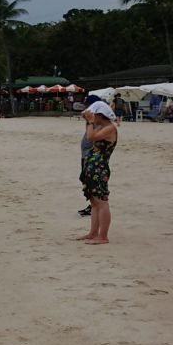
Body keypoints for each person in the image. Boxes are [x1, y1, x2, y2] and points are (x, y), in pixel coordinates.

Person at [76, 103, 118, 244]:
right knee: (94, 202)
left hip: (99, 167)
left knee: (101, 201)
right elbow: (89, 133)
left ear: (100, 115)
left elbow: (90, 137)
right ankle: (93, 233)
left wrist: (90, 121)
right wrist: (88, 120)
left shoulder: (110, 128)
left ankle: (103, 236)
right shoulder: (102, 126)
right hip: (92, 165)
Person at [77, 96, 111, 216]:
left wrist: (90, 120)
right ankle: (92, 205)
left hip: (92, 158)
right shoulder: (95, 121)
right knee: (87, 183)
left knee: (93, 185)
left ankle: (94, 206)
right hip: (87, 156)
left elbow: (91, 136)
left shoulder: (100, 123)